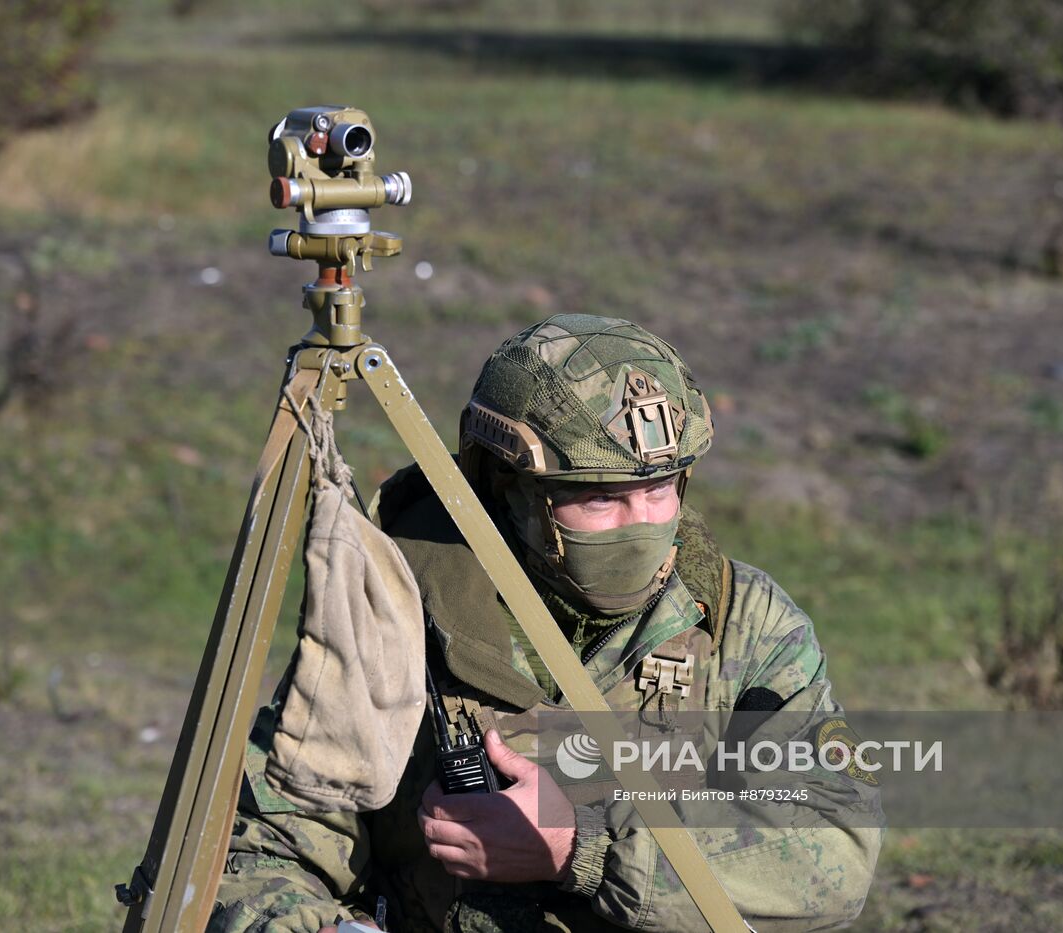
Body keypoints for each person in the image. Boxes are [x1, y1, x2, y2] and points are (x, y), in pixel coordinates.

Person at [209, 314, 881, 932]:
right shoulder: (396, 612)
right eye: (600, 499)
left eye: (659, 489)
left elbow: (835, 850)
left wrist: (576, 847)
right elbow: (259, 847)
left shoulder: (744, 624)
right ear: (510, 487)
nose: (641, 524)